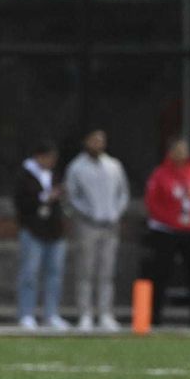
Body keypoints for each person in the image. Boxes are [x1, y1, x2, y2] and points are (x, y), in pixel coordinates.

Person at [144, 137, 190, 328]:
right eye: (177, 150)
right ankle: (155, 316)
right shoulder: (160, 174)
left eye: (184, 150)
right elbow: (152, 202)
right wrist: (169, 220)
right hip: (166, 232)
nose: (181, 154)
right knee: (161, 273)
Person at [65, 129, 129, 332]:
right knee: (86, 271)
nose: (97, 144)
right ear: (86, 142)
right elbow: (72, 196)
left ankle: (105, 313)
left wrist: (116, 212)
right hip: (88, 224)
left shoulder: (114, 166)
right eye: (93, 140)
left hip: (110, 225)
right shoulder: (76, 167)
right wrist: (88, 213)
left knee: (106, 272)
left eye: (101, 140)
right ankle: (85, 314)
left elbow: (123, 193)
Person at [14, 141, 69, 330]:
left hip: (54, 230)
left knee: (54, 274)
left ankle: (51, 313)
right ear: (39, 156)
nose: (52, 162)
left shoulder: (53, 175)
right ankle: (26, 314)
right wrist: (44, 197)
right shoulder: (25, 175)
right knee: (29, 273)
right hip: (33, 230)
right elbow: (22, 203)